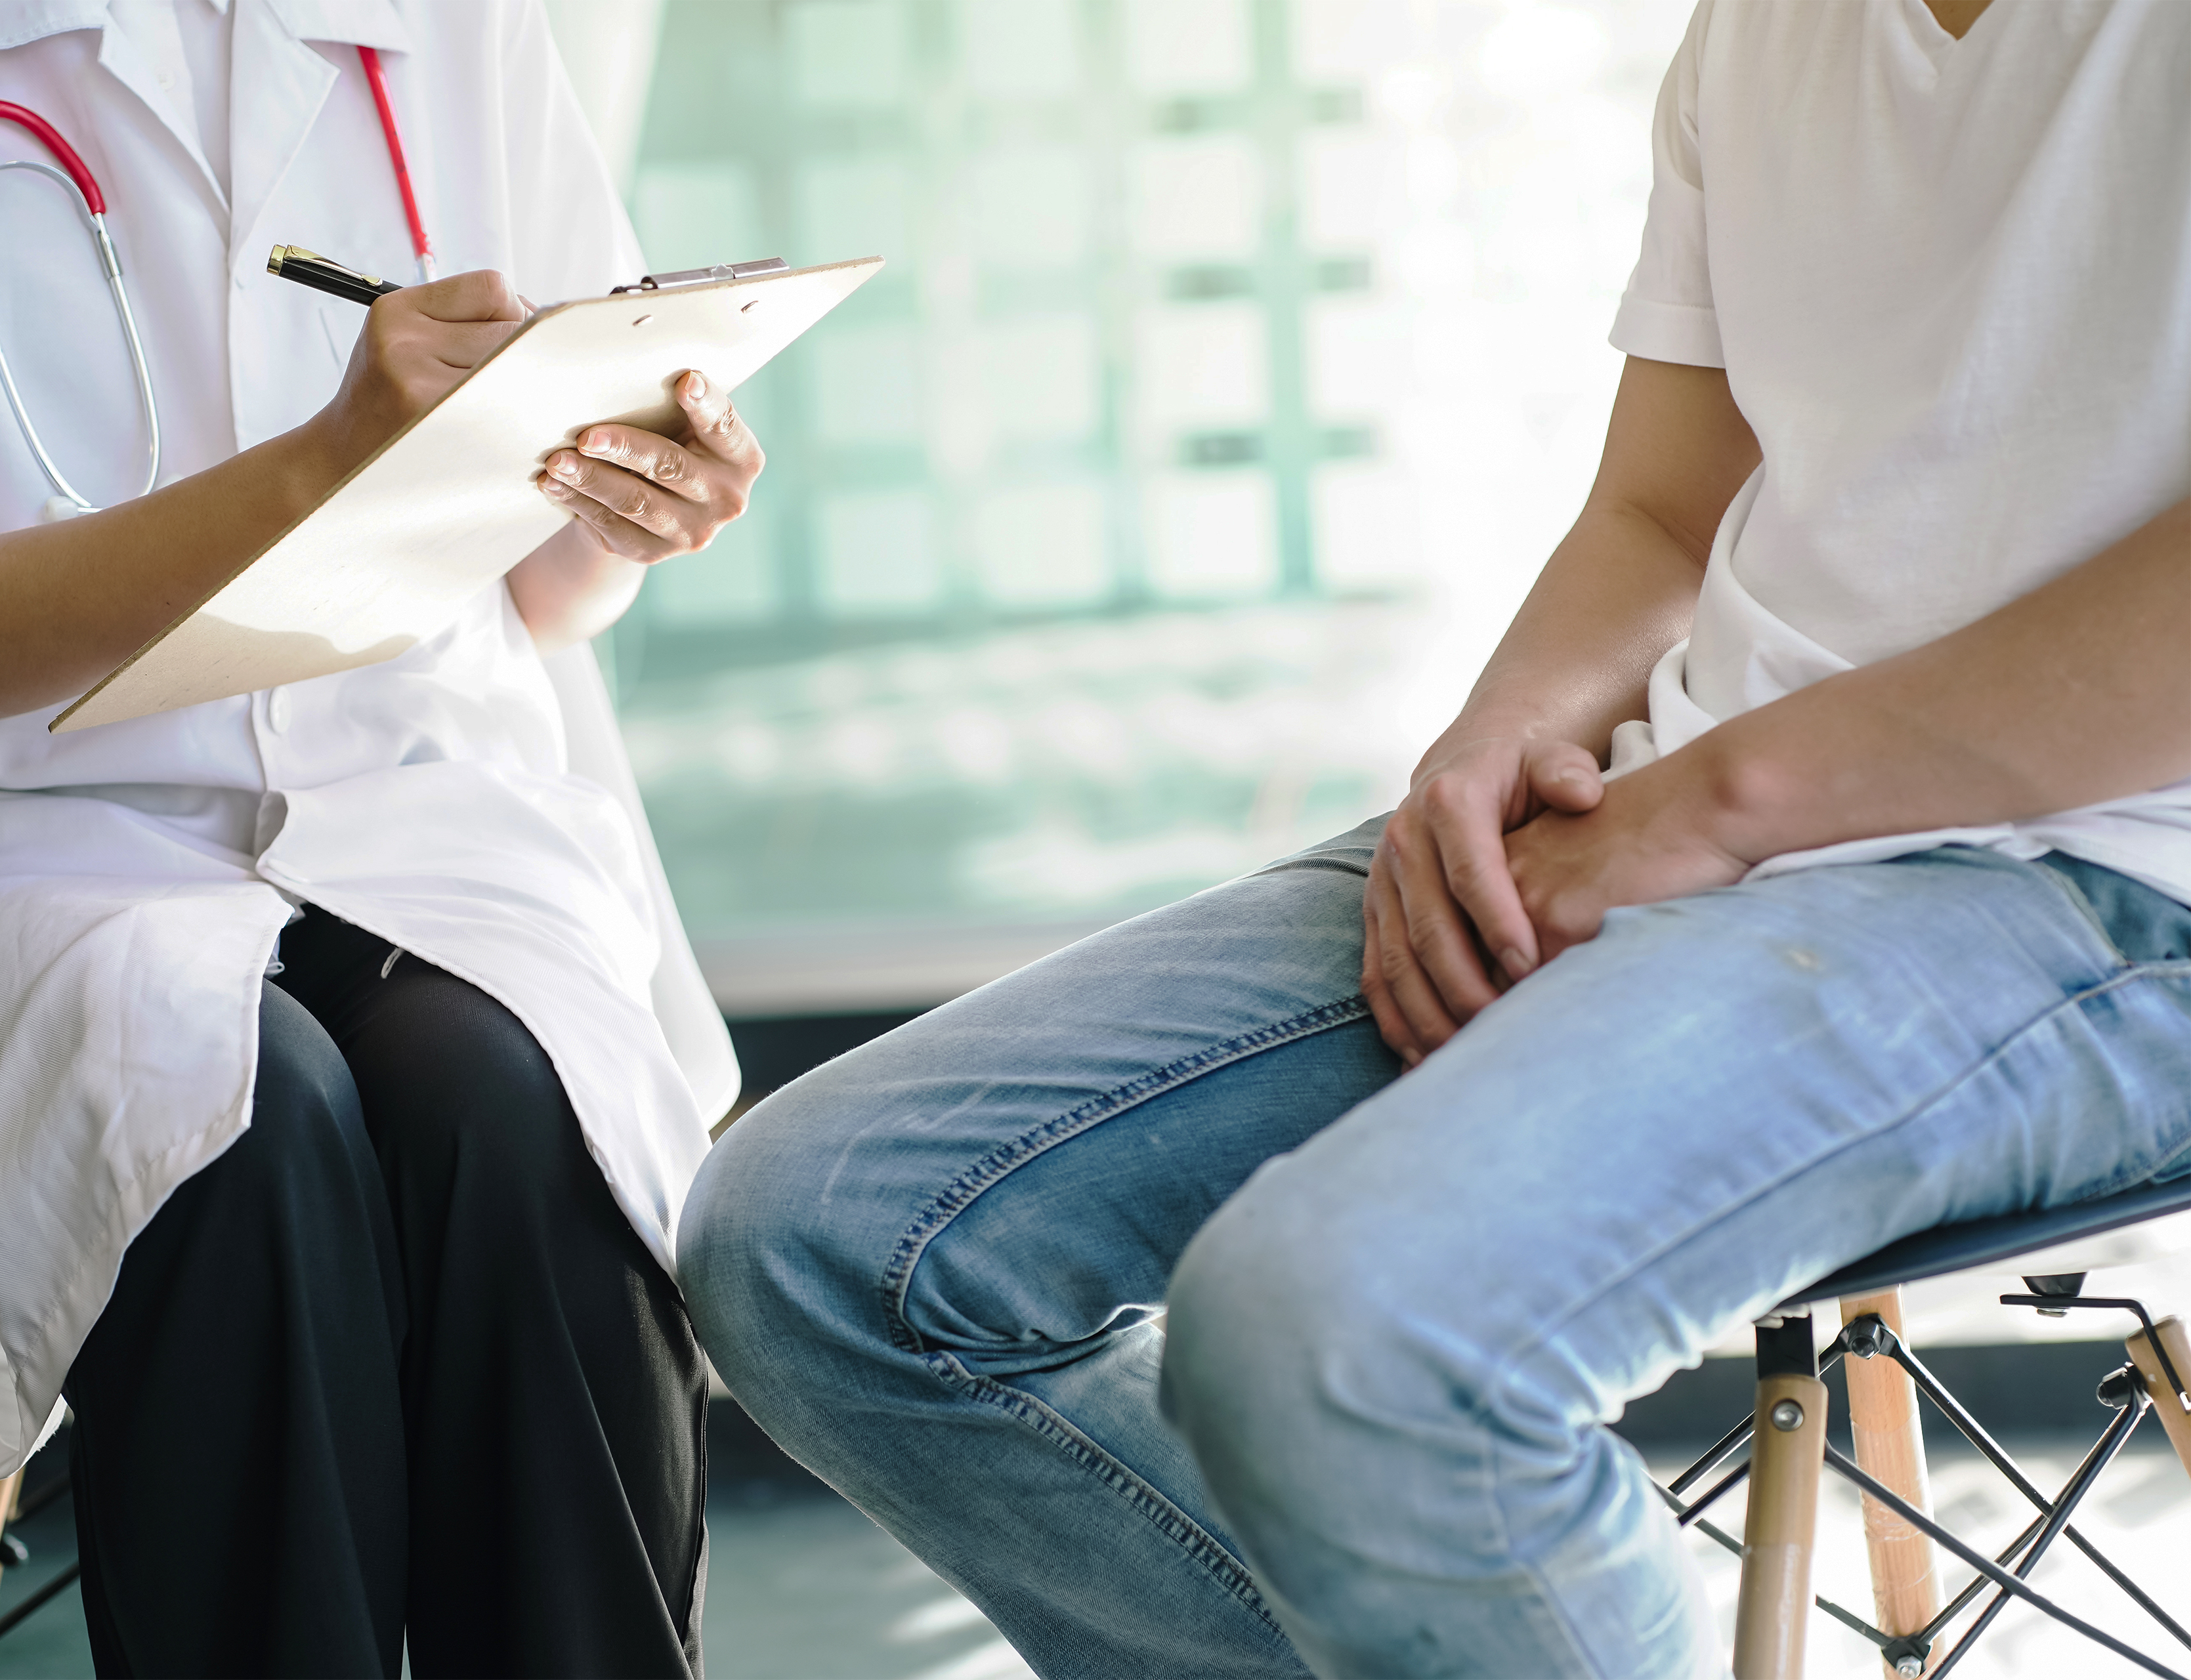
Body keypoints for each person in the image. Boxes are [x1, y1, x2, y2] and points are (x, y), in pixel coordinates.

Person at [676, 1, 2191, 1675]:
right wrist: (1496, 744)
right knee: (823, 1234)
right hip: (1685, 804)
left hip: (2102, 876)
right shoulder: (1762, 28)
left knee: (1353, 1336)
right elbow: (1664, 508)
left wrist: (1716, 803)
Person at [0, 3, 752, 1673]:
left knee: (516, 1110)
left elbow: (554, 591)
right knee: (228, 1113)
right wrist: (322, 463)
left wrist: (636, 495)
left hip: (415, 809)